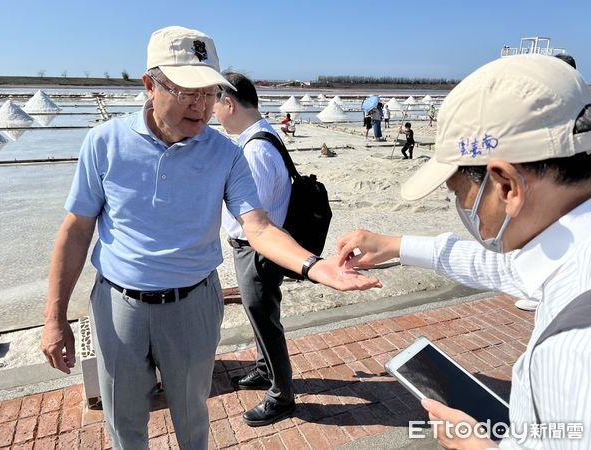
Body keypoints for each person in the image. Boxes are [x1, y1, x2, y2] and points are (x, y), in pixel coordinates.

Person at [40, 26, 381, 450]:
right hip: (117, 305)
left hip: (193, 306)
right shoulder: (104, 143)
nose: (202, 107)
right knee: (123, 419)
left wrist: (313, 265)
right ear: (150, 84)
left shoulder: (226, 153)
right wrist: (55, 316)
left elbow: (257, 226)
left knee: (192, 415)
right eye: (187, 91)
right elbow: (76, 231)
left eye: (209, 93)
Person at [337, 54, 591, 449]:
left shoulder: (574, 348)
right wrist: (395, 246)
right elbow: (511, 268)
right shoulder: (569, 247)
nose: (463, 210)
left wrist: (474, 444)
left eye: (459, 193)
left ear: (506, 186)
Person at [213, 72, 295, 426]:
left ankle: (282, 395)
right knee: (258, 314)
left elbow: (252, 215)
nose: (213, 113)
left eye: (214, 104)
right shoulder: (259, 136)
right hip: (253, 248)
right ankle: (265, 370)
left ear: (228, 104)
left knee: (265, 319)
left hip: (257, 250)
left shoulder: (256, 148)